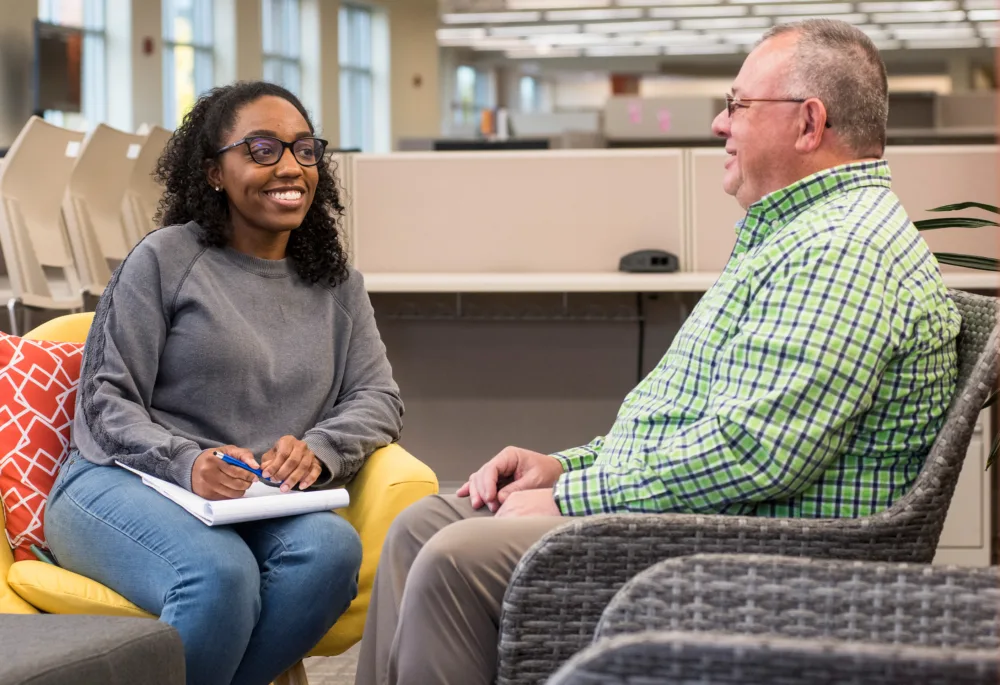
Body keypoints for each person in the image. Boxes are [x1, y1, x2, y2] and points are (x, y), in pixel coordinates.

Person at [355, 18, 961, 685]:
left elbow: (755, 452)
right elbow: (693, 423)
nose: (718, 125)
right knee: (419, 526)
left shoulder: (843, 251)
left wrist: (578, 496)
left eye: (738, 105)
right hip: (703, 515)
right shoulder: (794, 235)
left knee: (454, 558)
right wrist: (562, 468)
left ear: (808, 123)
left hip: (753, 552)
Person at [44, 81, 403, 685]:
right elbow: (105, 401)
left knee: (331, 553)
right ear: (213, 172)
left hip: (255, 498)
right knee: (218, 575)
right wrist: (188, 461)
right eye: (262, 150)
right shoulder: (164, 258)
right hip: (125, 482)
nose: (290, 167)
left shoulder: (337, 283)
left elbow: (378, 397)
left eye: (304, 149)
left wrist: (320, 447)